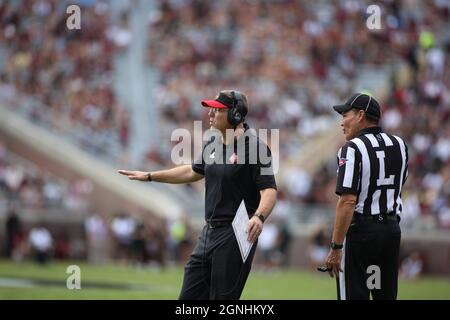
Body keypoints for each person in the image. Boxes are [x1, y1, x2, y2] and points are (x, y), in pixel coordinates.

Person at [118, 90, 277, 299]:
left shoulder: (256, 148)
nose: (210, 114)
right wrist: (150, 176)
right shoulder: (213, 143)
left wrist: (259, 216)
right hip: (209, 232)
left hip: (236, 234)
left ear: (235, 114)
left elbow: (269, 190)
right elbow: (193, 171)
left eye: (217, 110)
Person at [326, 93, 408, 300]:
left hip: (362, 233)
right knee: (384, 296)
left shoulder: (352, 148)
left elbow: (347, 200)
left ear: (360, 115)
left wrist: (336, 246)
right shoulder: (400, 144)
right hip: (390, 231)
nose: (342, 123)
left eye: (345, 115)